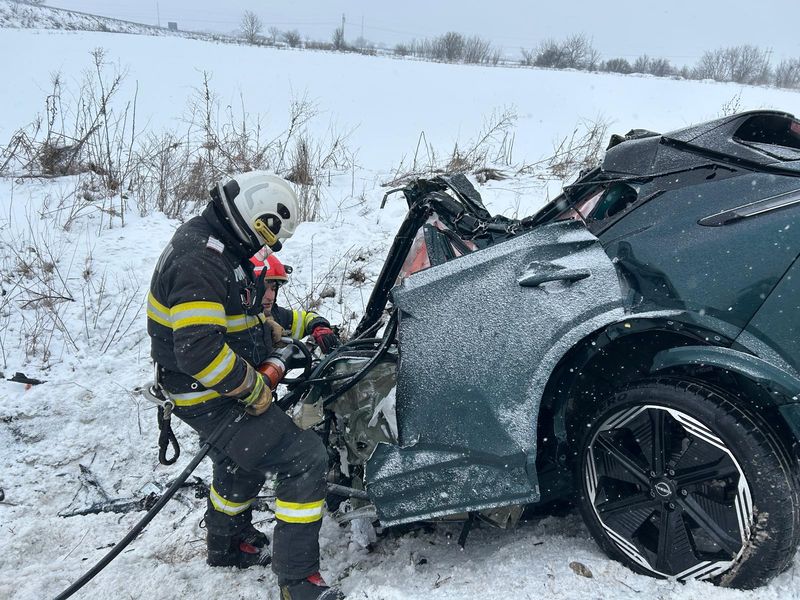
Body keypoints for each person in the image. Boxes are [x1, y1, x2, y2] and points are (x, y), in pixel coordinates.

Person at [146, 170, 344, 600]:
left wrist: (304, 326)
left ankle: (227, 544)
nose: (262, 248)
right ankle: (298, 581)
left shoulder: (217, 249)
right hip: (207, 391)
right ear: (257, 220)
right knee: (304, 456)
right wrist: (255, 388)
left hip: (204, 389)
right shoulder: (201, 259)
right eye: (265, 238)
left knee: (243, 459)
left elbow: (251, 312)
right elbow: (198, 352)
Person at [249, 249, 340, 353]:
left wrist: (318, 326)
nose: (270, 297)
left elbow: (305, 318)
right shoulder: (237, 326)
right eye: (263, 289)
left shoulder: (276, 315)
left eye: (273, 288)